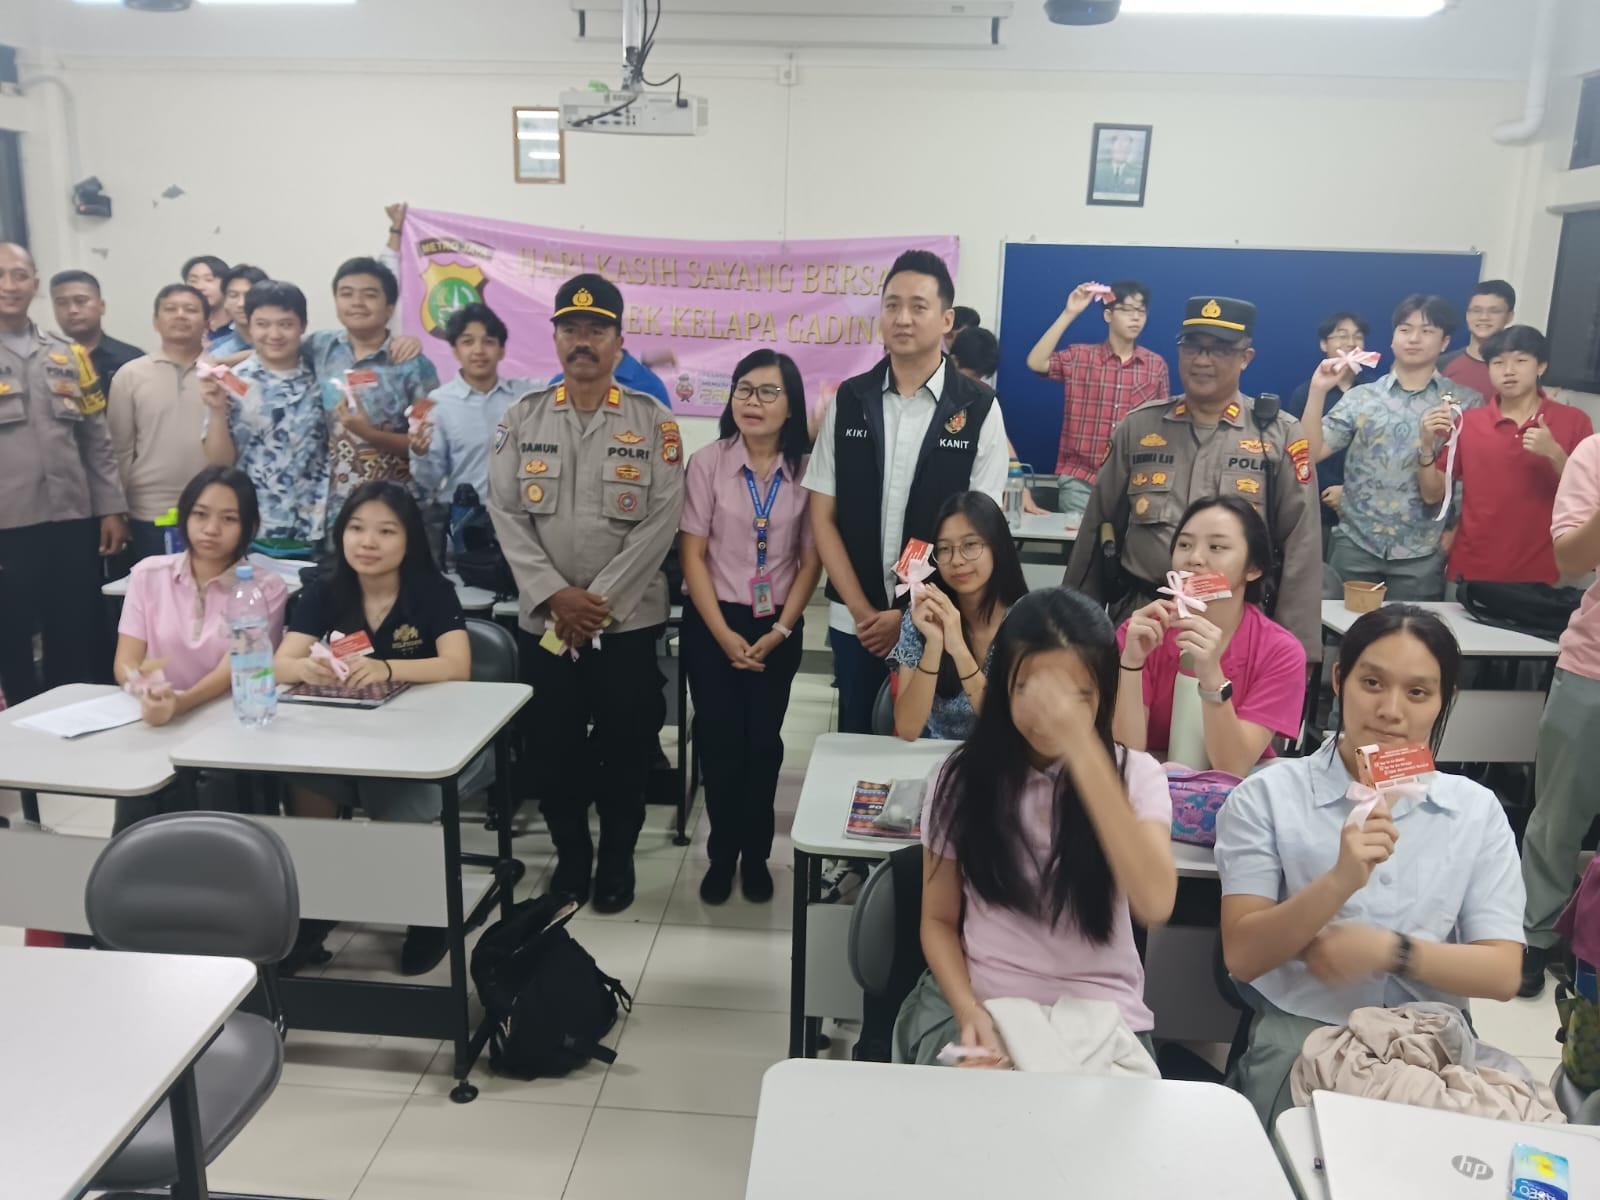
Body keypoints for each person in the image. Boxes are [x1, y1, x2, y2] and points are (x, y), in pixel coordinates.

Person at [1216, 605, 1523, 1126]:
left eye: (1419, 693)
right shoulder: (1267, 795)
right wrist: (1338, 883)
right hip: (1304, 1031)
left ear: (1444, 701)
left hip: (1430, 1044)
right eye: (1372, 682)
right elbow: (1243, 957)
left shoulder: (1474, 810)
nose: (1390, 710)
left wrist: (1391, 951)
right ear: (1340, 680)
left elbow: (1501, 972)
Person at [893, 587, 1178, 1066]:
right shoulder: (961, 777)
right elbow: (938, 921)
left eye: (1077, 695)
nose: (1051, 713)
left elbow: (1155, 901)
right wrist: (968, 1011)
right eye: (1030, 688)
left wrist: (1084, 752)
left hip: (1102, 1014)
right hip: (981, 1000)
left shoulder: (1137, 776)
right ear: (1003, 683)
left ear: (1103, 694)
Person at [488, 273, 686, 914]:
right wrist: (554, 597)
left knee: (629, 748)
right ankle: (572, 858)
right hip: (546, 622)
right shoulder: (521, 419)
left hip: (624, 624)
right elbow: (507, 514)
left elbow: (662, 520)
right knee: (552, 748)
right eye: (570, 329)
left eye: (596, 329)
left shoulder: (654, 423)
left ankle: (618, 860)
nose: (582, 341)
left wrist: (594, 604)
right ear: (554, 338)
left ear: (620, 340)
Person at [806, 249, 1009, 735]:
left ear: (946, 320)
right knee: (856, 738)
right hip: (854, 621)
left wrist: (907, 617)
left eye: (918, 306)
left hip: (940, 622)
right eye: (891, 305)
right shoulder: (850, 400)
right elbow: (822, 516)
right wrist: (863, 611)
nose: (902, 318)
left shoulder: (979, 407)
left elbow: (980, 533)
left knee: (924, 749)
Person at [274, 480, 471, 975]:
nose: (368, 542)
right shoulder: (325, 591)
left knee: (392, 800)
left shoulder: (431, 592)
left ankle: (425, 916)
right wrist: (306, 669)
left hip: (421, 738)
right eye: (357, 529)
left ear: (409, 541)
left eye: (386, 531)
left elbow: (456, 666)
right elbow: (281, 663)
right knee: (305, 781)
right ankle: (314, 912)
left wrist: (388, 668)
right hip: (344, 735)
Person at [1065, 296, 1323, 664]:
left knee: (1221, 719)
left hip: (1234, 629)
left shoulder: (1278, 434)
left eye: (1218, 350)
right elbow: (1097, 529)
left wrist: (1296, 653)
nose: (1202, 360)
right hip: (1144, 620)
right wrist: (1073, 628)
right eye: (1193, 347)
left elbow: (1302, 545)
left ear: (1245, 357)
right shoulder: (1139, 427)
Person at [679, 349, 821, 905]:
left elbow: (812, 559)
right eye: (743, 389)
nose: (752, 402)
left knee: (763, 744)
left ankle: (757, 855)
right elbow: (692, 555)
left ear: (791, 406)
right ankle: (721, 854)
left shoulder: (810, 471)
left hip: (776, 626)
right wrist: (720, 634)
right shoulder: (708, 463)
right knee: (719, 743)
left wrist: (783, 630)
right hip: (714, 621)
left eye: (767, 392)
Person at [112, 466, 285, 829]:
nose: (210, 529)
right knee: (135, 801)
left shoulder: (264, 588)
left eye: (228, 519)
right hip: (157, 718)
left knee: (215, 805)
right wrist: (145, 691)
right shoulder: (148, 574)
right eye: (200, 515)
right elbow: (127, 660)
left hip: (229, 720)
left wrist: (180, 704)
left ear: (249, 528)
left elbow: (234, 667)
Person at [0, 242, 129, 704]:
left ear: (35, 285)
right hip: (8, 526)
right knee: (11, 636)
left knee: (73, 627)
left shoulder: (69, 355)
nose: (9, 286)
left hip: (71, 520)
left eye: (19, 276)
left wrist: (112, 507)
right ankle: (16, 742)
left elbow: (96, 438)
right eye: (1, 275)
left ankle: (73, 727)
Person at [1303, 294, 1483, 602]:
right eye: (1404, 329)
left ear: (1444, 342)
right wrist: (1318, 390)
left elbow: (1472, 480)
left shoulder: (1466, 402)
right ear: (1393, 337)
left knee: (1415, 640)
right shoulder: (1363, 397)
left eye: (1426, 331)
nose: (1413, 338)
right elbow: (1310, 453)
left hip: (1422, 550)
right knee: (1343, 640)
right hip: (1356, 545)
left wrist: (1453, 535)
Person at [1113, 496, 1306, 776]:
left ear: (1253, 568)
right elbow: (1126, 755)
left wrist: (1212, 676)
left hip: (1232, 794)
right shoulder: (1140, 634)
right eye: (1184, 545)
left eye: (1217, 547)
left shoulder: (1281, 651)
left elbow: (1233, 767)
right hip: (1149, 786)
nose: (1194, 559)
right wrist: (1131, 663)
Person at [1518, 431, 1600, 997]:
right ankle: (1534, 933)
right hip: (1593, 666)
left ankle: (1591, 941)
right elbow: (1571, 559)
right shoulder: (1593, 453)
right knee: (1560, 816)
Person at [1420, 325, 1591, 589]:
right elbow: (1433, 493)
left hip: (1543, 574)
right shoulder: (1469, 422)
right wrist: (1426, 444)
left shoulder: (1574, 421)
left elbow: (1590, 501)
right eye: (1498, 363)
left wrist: (1555, 454)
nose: (1508, 371)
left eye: (1521, 361)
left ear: (1541, 366)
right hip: (1471, 570)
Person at [305, 256, 440, 519]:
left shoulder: (414, 366)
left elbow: (429, 445)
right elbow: (270, 349)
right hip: (334, 509)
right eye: (346, 294)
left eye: (369, 295)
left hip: (398, 507)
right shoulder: (321, 347)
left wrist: (370, 434)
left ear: (389, 308)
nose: (356, 303)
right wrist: (214, 361)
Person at [890, 492, 1027, 742]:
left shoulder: (1027, 620)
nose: (956, 560)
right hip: (936, 762)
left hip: (1004, 760)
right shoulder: (922, 616)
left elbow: (1010, 725)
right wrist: (934, 644)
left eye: (970, 545)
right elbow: (908, 728)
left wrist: (958, 649)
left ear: (997, 546)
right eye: (944, 549)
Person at [1026, 280, 1169, 517]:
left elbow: (1163, 427)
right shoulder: (1080, 356)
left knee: (1126, 552)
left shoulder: (1155, 365)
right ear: (1108, 315)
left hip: (1133, 481)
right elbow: (1035, 362)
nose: (1136, 317)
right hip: (1081, 480)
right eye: (1127, 310)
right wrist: (1070, 313)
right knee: (1081, 553)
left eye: (1141, 311)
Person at [201, 281, 328, 544]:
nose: (274, 334)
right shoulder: (231, 382)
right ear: (248, 324)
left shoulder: (323, 374)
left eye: (285, 324)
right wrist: (215, 411)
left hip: (319, 523)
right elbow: (220, 463)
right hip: (255, 524)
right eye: (263, 324)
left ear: (302, 326)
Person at [108, 284, 213, 562]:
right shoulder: (130, 375)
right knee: (157, 597)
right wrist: (115, 511)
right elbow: (118, 449)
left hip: (213, 506)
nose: (180, 315)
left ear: (207, 321)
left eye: (191, 310)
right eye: (170, 309)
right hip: (148, 509)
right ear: (156, 322)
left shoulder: (222, 375)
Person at [409, 302, 538, 507]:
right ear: (455, 351)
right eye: (468, 342)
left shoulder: (524, 396)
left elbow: (569, 382)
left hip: (517, 520)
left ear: (501, 350)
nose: (478, 350)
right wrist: (420, 454)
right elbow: (428, 482)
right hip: (461, 520)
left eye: (488, 342)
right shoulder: (437, 404)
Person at [1283, 311, 1372, 544]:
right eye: (1341, 336)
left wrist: (1349, 493)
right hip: (1318, 503)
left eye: (1358, 336)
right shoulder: (1306, 393)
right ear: (1324, 344)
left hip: (1365, 508)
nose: (1351, 343)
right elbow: (1298, 448)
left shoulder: (1376, 392)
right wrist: (1329, 489)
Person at [49, 269, 144, 387]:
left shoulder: (133, 359)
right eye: (61, 303)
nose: (72, 310)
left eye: (81, 301)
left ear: (102, 306)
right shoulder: (45, 361)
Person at [1440, 280, 1516, 404]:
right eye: (1476, 310)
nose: (1484, 317)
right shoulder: (1442, 364)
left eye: (1494, 311)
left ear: (1509, 317)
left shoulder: (1517, 369)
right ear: (1467, 315)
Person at [206, 264, 269, 359]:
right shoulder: (214, 351)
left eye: (249, 295)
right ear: (225, 302)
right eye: (233, 295)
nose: (241, 303)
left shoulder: (288, 345)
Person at [181, 254, 232, 345]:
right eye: (193, 281)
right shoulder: (183, 327)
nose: (200, 287)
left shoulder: (241, 325)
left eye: (209, 280)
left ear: (227, 284)